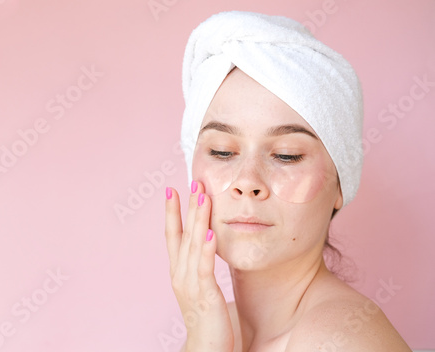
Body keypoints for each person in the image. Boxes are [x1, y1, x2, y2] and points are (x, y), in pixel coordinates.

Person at [164, 11, 411, 352]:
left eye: (286, 155)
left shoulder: (340, 340)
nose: (247, 181)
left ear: (340, 183)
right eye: (222, 152)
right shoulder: (216, 323)